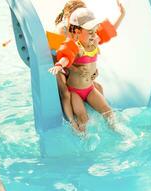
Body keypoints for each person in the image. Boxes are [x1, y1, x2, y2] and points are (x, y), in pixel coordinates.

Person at [49, 5, 125, 133]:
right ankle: (82, 138)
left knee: (108, 111)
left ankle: (117, 131)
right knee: (83, 118)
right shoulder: (76, 47)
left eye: (95, 31)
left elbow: (109, 31)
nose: (94, 35)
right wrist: (59, 65)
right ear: (77, 32)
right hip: (75, 91)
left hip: (89, 89)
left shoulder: (94, 40)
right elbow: (66, 57)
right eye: (90, 32)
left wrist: (121, 15)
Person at [53, 0, 103, 132]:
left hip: (73, 63)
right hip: (59, 64)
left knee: (97, 86)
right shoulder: (62, 30)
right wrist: (75, 69)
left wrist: (92, 70)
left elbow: (84, 55)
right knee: (66, 93)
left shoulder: (83, 31)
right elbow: (63, 56)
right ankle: (71, 121)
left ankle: (92, 106)